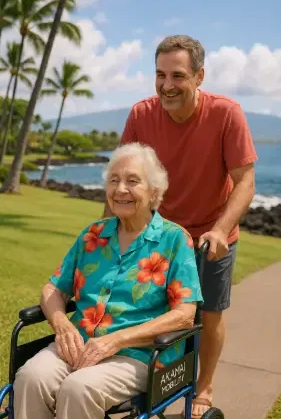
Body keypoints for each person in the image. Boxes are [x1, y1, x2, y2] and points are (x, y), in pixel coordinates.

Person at [103, 35, 258, 418]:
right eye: (160, 75)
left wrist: (221, 229)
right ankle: (151, 379)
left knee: (208, 315)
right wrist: (103, 235)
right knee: (145, 310)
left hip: (212, 232)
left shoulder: (226, 113)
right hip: (159, 234)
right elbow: (124, 175)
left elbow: (245, 180)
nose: (167, 85)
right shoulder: (141, 114)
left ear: (199, 76)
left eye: (177, 75)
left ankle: (203, 388)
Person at [14, 143, 203, 419]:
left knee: (79, 389)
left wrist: (116, 340)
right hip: (78, 344)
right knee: (31, 377)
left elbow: (185, 316)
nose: (120, 189)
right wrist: (62, 325)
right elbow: (54, 287)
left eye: (132, 181)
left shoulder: (174, 240)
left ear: (153, 191)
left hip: (138, 354)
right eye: (114, 180)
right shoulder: (94, 235)